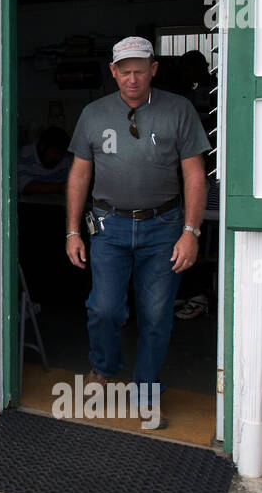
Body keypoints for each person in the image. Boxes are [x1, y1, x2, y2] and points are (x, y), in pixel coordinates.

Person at [63, 36, 210, 428]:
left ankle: (146, 392)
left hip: (164, 227)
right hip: (109, 227)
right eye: (124, 72)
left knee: (157, 315)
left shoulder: (178, 111)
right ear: (113, 72)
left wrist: (191, 231)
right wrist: (72, 231)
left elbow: (194, 174)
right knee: (105, 309)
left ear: (153, 70)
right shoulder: (93, 114)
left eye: (140, 71)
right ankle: (104, 369)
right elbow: (80, 173)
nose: (132, 79)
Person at [18, 125, 72, 195]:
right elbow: (26, 187)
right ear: (42, 146)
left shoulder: (67, 159)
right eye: (55, 153)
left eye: (62, 154)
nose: (59, 158)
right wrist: (61, 187)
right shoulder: (23, 155)